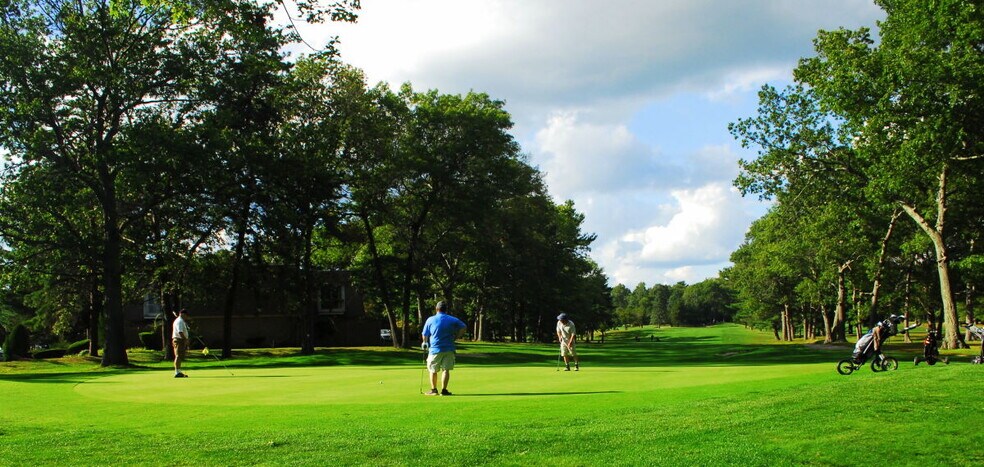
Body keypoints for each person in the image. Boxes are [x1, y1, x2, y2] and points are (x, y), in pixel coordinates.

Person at [421, 301, 466, 396]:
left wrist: (424, 342)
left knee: (433, 370)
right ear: (446, 310)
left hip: (435, 349)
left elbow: (425, 333)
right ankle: (444, 390)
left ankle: (434, 390)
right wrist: (457, 336)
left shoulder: (430, 319)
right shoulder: (452, 319)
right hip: (449, 348)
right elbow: (463, 327)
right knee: (446, 370)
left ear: (436, 309)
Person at [172, 309, 190, 378]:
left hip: (180, 340)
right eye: (186, 315)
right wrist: (185, 339)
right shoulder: (179, 321)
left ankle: (179, 371)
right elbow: (180, 332)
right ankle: (177, 372)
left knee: (179, 356)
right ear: (183, 314)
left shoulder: (181, 321)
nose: (186, 317)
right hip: (179, 340)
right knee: (178, 356)